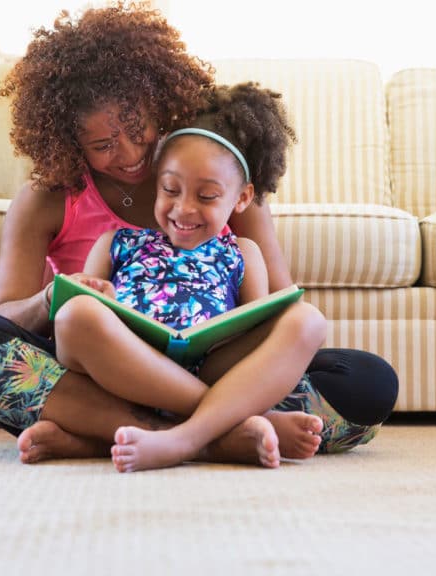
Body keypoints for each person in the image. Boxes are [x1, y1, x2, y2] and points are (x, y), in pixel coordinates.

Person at [0, 3, 398, 465]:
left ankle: (102, 435)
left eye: (138, 129)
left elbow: (277, 311)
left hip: (213, 361)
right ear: (68, 140)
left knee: (368, 384)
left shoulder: (213, 172)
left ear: (159, 104)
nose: (129, 154)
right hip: (99, 366)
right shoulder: (46, 197)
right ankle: (213, 433)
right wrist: (51, 299)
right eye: (103, 145)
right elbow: (0, 319)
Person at [56, 81, 328, 471]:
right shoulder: (117, 242)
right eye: (170, 189)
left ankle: (177, 439)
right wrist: (102, 296)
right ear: (156, 182)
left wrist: (237, 330)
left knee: (309, 320)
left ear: (242, 198)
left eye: (206, 197)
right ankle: (227, 424)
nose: (183, 209)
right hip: (129, 365)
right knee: (75, 315)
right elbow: (81, 313)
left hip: (211, 365)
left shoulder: (242, 253)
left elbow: (255, 332)